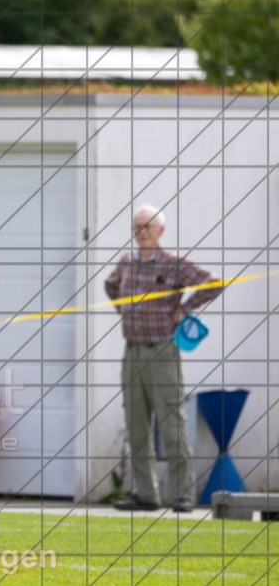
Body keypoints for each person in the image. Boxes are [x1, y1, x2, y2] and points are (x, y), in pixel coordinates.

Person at [105, 205, 222, 512]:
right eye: (137, 226)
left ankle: (182, 494)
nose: (141, 232)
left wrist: (184, 308)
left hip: (162, 351)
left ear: (161, 231)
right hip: (132, 351)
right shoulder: (127, 262)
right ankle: (146, 494)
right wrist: (125, 311)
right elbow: (110, 285)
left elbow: (213, 283)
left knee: (172, 422)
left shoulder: (174, 265)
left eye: (147, 226)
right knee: (136, 424)